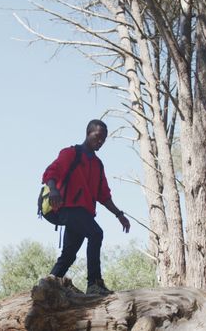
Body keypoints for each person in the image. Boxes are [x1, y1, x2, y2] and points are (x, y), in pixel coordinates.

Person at [42, 119, 130, 295]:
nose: (100, 141)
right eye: (97, 136)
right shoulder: (71, 153)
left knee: (68, 255)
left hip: (85, 214)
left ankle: (46, 288)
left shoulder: (98, 165)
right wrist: (53, 190)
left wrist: (119, 214)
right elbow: (51, 172)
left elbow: (103, 195)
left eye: (103, 139)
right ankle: (94, 283)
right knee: (96, 233)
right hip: (68, 208)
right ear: (88, 133)